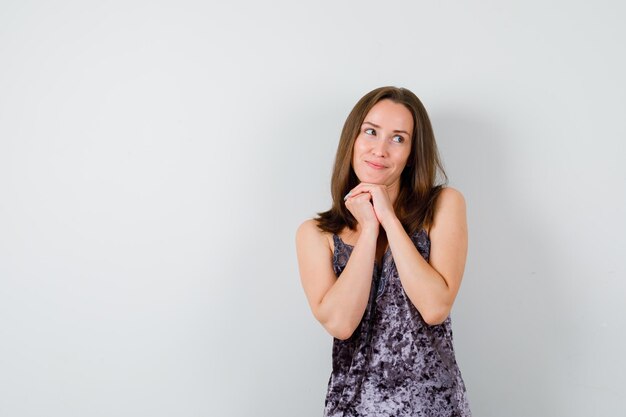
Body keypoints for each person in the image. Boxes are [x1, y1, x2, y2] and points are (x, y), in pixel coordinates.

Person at [295, 86, 472, 416]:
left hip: (431, 407)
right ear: (353, 139)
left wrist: (388, 217)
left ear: (411, 155)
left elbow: (435, 307)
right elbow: (341, 323)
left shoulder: (444, 206)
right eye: (371, 132)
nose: (380, 149)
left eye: (398, 138)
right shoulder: (316, 234)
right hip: (353, 408)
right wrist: (368, 229)